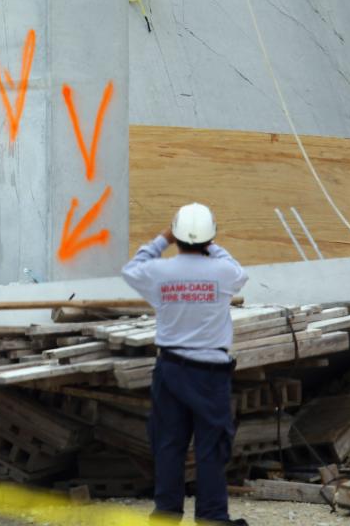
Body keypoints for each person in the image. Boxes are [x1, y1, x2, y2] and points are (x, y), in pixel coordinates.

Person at [121, 203, 248, 525]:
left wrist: (162, 240)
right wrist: (211, 245)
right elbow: (238, 270)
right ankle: (212, 517)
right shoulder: (222, 272)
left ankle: (166, 514)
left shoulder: (159, 273)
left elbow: (132, 268)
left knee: (168, 445)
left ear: (176, 236)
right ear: (210, 239)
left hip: (171, 369)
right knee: (211, 449)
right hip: (211, 374)